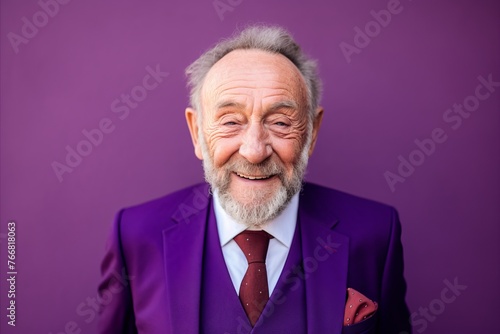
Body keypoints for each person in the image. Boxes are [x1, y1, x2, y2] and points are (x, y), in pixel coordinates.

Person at [97, 25, 411, 334]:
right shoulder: (135, 236)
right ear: (197, 133)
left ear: (312, 133)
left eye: (280, 122)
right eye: (231, 121)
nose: (254, 151)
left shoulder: (375, 234)